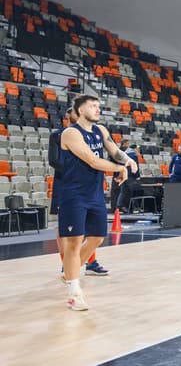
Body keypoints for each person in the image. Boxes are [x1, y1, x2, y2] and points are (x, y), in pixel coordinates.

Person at [59, 94, 138, 310]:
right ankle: (74, 292)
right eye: (92, 106)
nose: (97, 109)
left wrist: (127, 160)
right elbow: (93, 161)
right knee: (75, 241)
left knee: (97, 238)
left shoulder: (101, 130)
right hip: (74, 193)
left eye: (98, 106)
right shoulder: (70, 133)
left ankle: (71, 272)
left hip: (94, 193)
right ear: (80, 110)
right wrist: (119, 168)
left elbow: (114, 151)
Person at [49, 107, 109, 277]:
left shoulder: (91, 134)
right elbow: (53, 160)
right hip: (66, 183)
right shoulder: (58, 135)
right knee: (64, 227)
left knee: (91, 227)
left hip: (89, 186)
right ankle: (65, 263)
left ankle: (91, 262)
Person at [115, 144, 143, 213]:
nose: (138, 150)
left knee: (123, 192)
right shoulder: (133, 155)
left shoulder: (123, 154)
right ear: (134, 149)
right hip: (130, 176)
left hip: (123, 175)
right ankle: (135, 208)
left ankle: (118, 207)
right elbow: (135, 166)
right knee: (134, 191)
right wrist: (137, 176)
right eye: (137, 149)